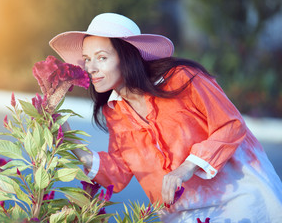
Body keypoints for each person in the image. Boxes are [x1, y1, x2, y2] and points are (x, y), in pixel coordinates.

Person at [49, 13, 282, 222]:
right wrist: (69, 139)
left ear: (128, 56)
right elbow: (117, 175)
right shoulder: (115, 111)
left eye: (101, 57)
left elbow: (231, 125)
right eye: (87, 59)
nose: (91, 68)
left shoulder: (183, 78)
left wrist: (186, 167)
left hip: (239, 199)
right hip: (182, 215)